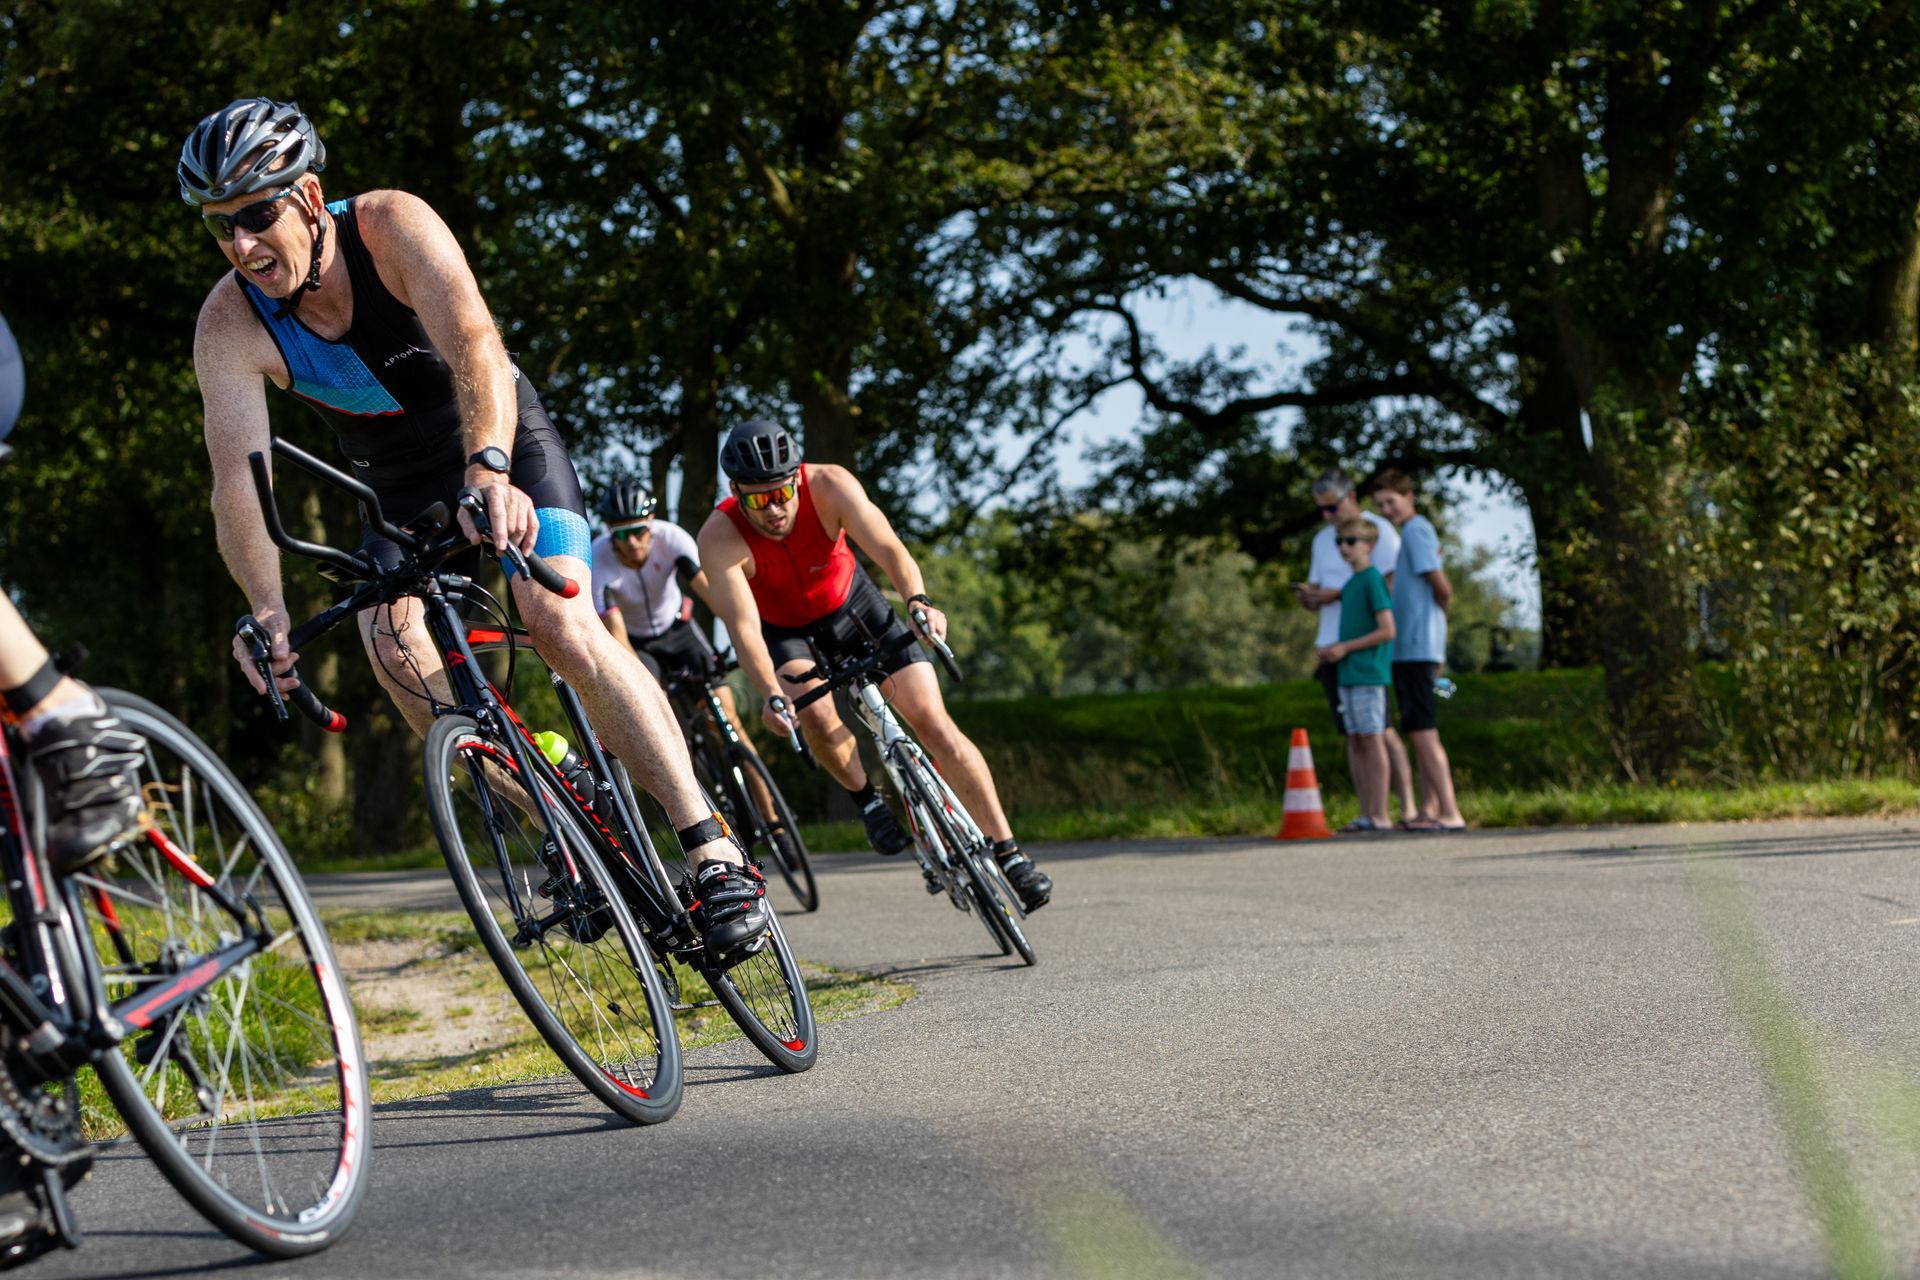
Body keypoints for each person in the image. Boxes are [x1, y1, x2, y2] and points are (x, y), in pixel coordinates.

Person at [181, 98, 767, 951]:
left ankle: (712, 850)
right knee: (392, 646)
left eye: (256, 217)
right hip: (398, 484)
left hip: (500, 434)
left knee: (558, 618)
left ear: (308, 199)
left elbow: (475, 342)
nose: (240, 246)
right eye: (219, 228)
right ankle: (562, 815)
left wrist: (489, 465)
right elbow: (238, 479)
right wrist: (266, 610)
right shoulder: (228, 322)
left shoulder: (390, 226)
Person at [696, 419, 1053, 910]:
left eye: (782, 492)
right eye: (758, 499)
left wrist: (919, 601)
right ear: (735, 493)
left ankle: (1010, 853)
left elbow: (888, 548)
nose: (775, 509)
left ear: (798, 476)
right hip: (787, 632)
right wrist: (771, 695)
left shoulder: (830, 485)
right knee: (814, 711)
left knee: (933, 722)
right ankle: (867, 799)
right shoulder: (718, 537)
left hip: (854, 608)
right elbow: (744, 629)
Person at [591, 477, 766, 778]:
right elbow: (617, 636)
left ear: (651, 524)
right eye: (621, 535)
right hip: (638, 644)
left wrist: (744, 638)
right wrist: (649, 689)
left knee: (728, 721)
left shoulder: (672, 539)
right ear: (610, 534)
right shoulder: (598, 559)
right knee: (656, 720)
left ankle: (773, 820)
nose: (632, 542)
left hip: (678, 630)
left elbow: (715, 597)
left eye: (637, 531)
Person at [1296, 469, 1417, 820]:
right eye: (1321, 510)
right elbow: (1323, 583)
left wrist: (1343, 596)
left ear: (1349, 498)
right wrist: (1315, 597)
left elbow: (1388, 588)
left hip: (1364, 650)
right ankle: (1369, 810)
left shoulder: (1376, 533)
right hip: (1334, 644)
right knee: (1354, 733)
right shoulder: (1323, 540)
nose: (1327, 518)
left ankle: (1400, 808)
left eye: (1332, 508)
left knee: (1381, 730)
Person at [1371, 469, 1466, 831]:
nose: (1386, 510)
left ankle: (1450, 812)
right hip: (1407, 646)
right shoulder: (1409, 534)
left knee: (1424, 730)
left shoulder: (1416, 530)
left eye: (1390, 502)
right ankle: (1429, 810)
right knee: (1416, 729)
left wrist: (1437, 629)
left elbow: (1441, 587)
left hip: (1417, 646)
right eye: (1380, 505)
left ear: (1408, 496)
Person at [1314, 518, 1397, 832]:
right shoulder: (1350, 584)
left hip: (1368, 672)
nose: (1343, 548)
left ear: (1369, 545)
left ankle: (1381, 813)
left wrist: (1345, 647)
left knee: (1372, 738)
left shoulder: (1372, 579)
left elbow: (1388, 630)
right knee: (1356, 738)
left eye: (1350, 541)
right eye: (1339, 542)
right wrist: (1333, 649)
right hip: (1347, 671)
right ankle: (1366, 811)